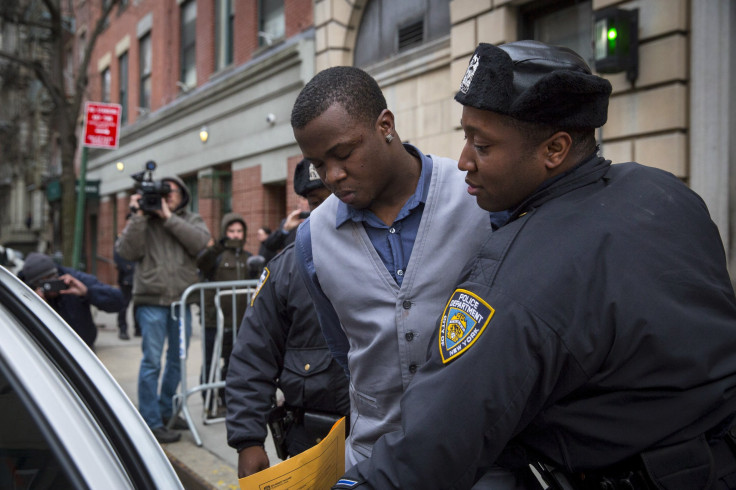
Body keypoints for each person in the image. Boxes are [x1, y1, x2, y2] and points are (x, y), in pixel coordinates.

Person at [332, 41, 736, 489]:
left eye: (482, 145)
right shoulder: (664, 191)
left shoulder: (516, 276)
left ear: (555, 149)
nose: (464, 161)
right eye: (466, 137)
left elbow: (435, 445)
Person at [291, 66, 495, 467]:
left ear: (386, 125)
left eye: (344, 154)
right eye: (318, 165)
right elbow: (343, 344)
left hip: (480, 455)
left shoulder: (479, 198)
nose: (332, 175)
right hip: (373, 458)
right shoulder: (311, 239)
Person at [226, 159, 350, 478]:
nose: (329, 210)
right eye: (317, 202)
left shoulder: (386, 252)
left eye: (339, 196)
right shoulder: (286, 269)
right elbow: (252, 357)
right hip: (313, 443)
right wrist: (248, 441)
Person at [116, 176, 211, 444]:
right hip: (151, 302)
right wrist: (138, 216)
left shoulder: (190, 219)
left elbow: (200, 243)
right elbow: (126, 252)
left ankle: (167, 411)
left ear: (183, 195)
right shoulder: (143, 221)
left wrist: (169, 217)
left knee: (176, 362)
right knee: (151, 362)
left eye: (172, 192)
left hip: (180, 302)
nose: (167, 196)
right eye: (162, 192)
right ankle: (151, 420)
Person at [196, 212, 258, 418]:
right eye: (231, 231)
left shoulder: (248, 258)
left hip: (240, 321)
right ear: (224, 232)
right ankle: (209, 404)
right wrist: (216, 247)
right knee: (211, 363)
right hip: (216, 320)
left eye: (239, 231)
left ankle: (227, 401)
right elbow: (201, 264)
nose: (235, 235)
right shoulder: (217, 255)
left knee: (233, 364)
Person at [20, 252, 124, 349]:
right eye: (44, 283)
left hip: (82, 347)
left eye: (52, 278)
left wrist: (88, 292)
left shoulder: (73, 279)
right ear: (34, 284)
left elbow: (119, 301)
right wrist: (36, 305)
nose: (51, 286)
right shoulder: (23, 290)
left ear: (57, 273)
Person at [113, 225, 138, 340]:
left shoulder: (141, 234)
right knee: (124, 304)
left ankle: (139, 328)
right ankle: (123, 329)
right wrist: (128, 269)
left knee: (138, 305)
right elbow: (118, 256)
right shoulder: (122, 238)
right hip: (126, 278)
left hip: (138, 278)